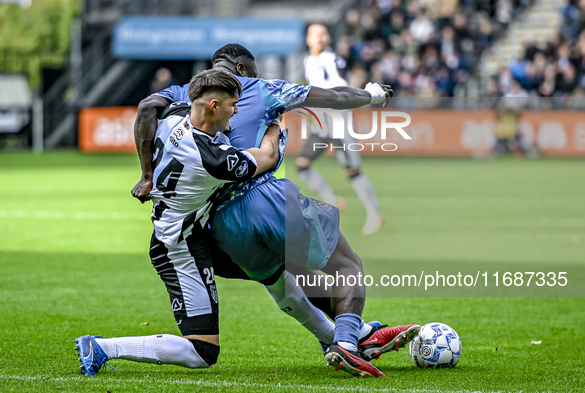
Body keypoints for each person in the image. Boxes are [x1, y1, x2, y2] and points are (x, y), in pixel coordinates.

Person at [132, 44, 419, 378]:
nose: (238, 103)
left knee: (288, 276)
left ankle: (356, 334)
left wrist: (147, 175)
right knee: (347, 265)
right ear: (242, 70)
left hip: (221, 224)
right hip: (262, 197)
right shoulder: (264, 88)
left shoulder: (187, 92)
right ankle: (347, 343)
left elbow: (147, 107)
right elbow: (334, 96)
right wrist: (370, 95)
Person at [75, 69, 284, 375]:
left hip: (196, 233)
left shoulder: (174, 115)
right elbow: (267, 157)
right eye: (233, 104)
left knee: (277, 269)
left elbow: (147, 110)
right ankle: (103, 348)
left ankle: (341, 335)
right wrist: (275, 121)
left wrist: (146, 174)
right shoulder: (214, 158)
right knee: (203, 350)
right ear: (213, 105)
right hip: (179, 247)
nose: (237, 110)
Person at [297, 24, 384, 235]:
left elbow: (340, 81)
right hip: (321, 124)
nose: (319, 38)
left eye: (323, 34)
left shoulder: (331, 59)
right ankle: (332, 199)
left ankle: (375, 214)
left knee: (352, 171)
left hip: (338, 121)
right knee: (302, 165)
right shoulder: (309, 60)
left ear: (327, 38)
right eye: (315, 34)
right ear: (308, 39)